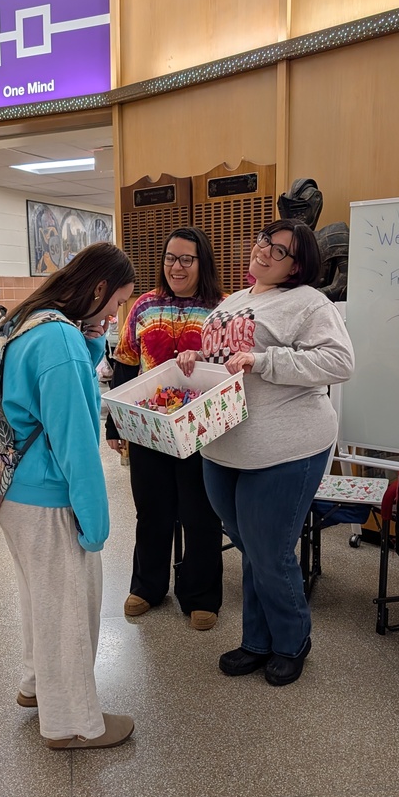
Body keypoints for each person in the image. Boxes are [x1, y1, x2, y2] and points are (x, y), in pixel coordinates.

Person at [177, 219, 354, 685]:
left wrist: (265, 361)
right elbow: (220, 355)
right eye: (263, 241)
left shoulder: (310, 303)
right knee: (251, 549)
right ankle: (256, 640)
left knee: (270, 552)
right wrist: (193, 359)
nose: (265, 251)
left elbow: (340, 362)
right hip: (222, 446)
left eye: (279, 250)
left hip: (284, 448)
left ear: (299, 265)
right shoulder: (236, 299)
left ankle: (291, 639)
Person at [0, 243, 136, 750]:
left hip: (15, 491)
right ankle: (72, 723)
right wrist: (96, 523)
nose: (115, 314)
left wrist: (92, 340)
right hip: (49, 498)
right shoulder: (60, 342)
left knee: (40, 596)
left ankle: (37, 685)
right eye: (117, 302)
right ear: (98, 289)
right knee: (69, 609)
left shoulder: (32, 321)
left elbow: (49, 390)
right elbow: (76, 442)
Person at [106, 226, 225, 630]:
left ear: (201, 262)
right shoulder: (143, 306)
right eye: (170, 258)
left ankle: (201, 595)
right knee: (152, 511)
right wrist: (115, 424)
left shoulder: (222, 309)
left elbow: (232, 368)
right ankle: (148, 586)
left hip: (201, 432)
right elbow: (124, 363)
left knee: (201, 513)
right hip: (147, 428)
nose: (176, 266)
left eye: (186, 259)